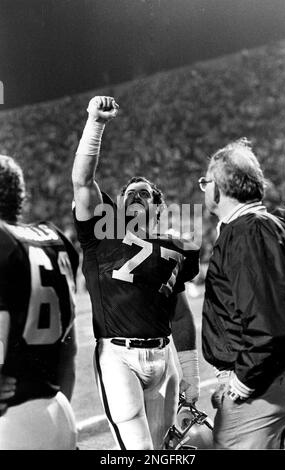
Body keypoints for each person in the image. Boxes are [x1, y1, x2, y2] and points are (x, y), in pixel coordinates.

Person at [72, 96, 200, 450]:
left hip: (164, 358)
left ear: (159, 206)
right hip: (118, 356)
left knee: (160, 450)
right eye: (129, 194)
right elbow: (83, 181)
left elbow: (179, 310)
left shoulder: (177, 246)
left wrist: (190, 370)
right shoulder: (103, 231)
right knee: (138, 452)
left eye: (144, 194)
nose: (134, 197)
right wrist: (96, 124)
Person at [199, 138, 285, 450]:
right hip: (277, 373)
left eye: (205, 181)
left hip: (263, 380)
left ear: (219, 187)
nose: (203, 189)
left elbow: (265, 325)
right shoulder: (269, 224)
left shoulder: (247, 231)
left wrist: (241, 382)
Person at [0, 155, 79, 450]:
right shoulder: (54, 238)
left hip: (10, 419)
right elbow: (69, 349)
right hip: (58, 410)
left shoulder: (2, 241)